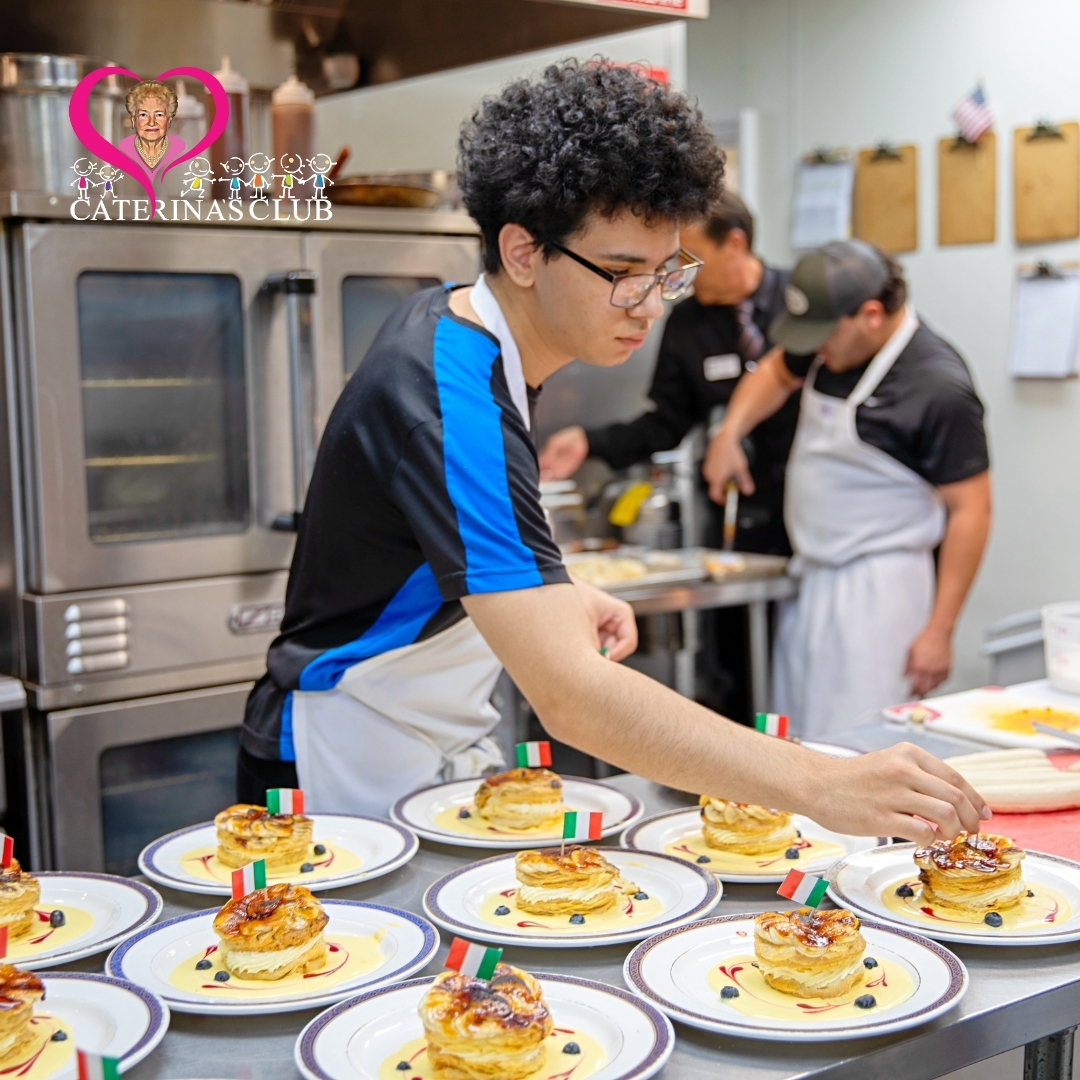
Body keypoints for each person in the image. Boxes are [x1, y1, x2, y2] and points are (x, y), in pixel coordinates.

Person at [237, 61, 988, 847]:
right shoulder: (446, 396)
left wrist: (556, 593)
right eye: (624, 275)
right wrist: (819, 783)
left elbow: (430, 553)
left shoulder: (469, 337)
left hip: (417, 735)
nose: (653, 305)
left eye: (666, 272)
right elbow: (572, 699)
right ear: (523, 253)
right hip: (339, 752)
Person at [706, 240, 993, 736]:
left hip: (879, 596)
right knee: (796, 744)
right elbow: (776, 370)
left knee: (862, 748)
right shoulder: (828, 342)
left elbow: (973, 511)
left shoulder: (938, 387)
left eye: (821, 335)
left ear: (872, 315)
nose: (812, 348)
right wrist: (729, 432)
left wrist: (939, 631)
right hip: (813, 581)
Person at [539, 190, 798, 556]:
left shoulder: (799, 304)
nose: (681, 277)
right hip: (740, 516)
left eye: (693, 259)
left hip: (819, 507)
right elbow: (666, 423)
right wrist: (590, 440)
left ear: (734, 244)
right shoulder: (687, 324)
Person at [119, 81, 187, 180]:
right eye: (143, 115)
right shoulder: (124, 155)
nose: (151, 122)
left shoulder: (177, 153)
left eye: (159, 115)